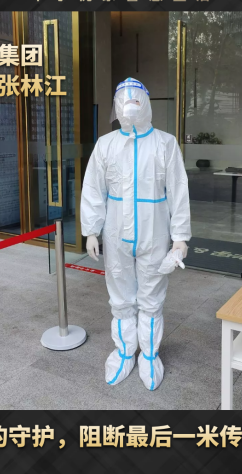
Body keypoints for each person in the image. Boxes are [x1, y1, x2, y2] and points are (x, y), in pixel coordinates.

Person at [81, 78, 191, 390]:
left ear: (146, 103)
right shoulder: (106, 145)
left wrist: (180, 237)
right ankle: (125, 352)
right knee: (120, 296)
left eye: (135, 100)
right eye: (124, 101)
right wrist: (91, 231)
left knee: (152, 297)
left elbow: (178, 190)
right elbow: (94, 189)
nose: (129, 107)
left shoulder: (165, 143)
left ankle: (150, 355)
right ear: (117, 106)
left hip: (154, 234)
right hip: (115, 235)